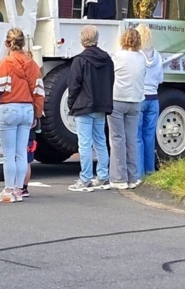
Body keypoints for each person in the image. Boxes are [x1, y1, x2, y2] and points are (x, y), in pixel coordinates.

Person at [0, 28, 44, 203]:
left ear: (8, 43)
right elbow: (39, 92)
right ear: (23, 43)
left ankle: (8, 191)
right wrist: (37, 113)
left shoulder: (3, 65)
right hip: (28, 109)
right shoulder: (33, 65)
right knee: (21, 152)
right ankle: (18, 189)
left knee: (8, 153)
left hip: (8, 108)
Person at [66, 25, 115, 192]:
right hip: (100, 106)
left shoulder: (79, 60)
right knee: (100, 142)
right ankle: (102, 176)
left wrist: (71, 104)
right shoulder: (107, 59)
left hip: (83, 106)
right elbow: (111, 80)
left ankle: (85, 178)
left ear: (82, 40)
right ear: (97, 39)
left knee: (84, 144)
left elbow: (73, 85)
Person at [110, 28, 146, 189]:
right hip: (136, 100)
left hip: (118, 99)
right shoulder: (142, 58)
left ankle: (119, 178)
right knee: (132, 138)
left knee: (118, 139)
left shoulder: (117, 57)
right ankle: (134, 177)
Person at [137, 24, 164, 176]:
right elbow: (160, 79)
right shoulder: (157, 56)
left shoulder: (137, 56)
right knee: (149, 136)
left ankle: (138, 173)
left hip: (140, 97)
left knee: (137, 137)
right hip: (154, 98)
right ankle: (150, 171)